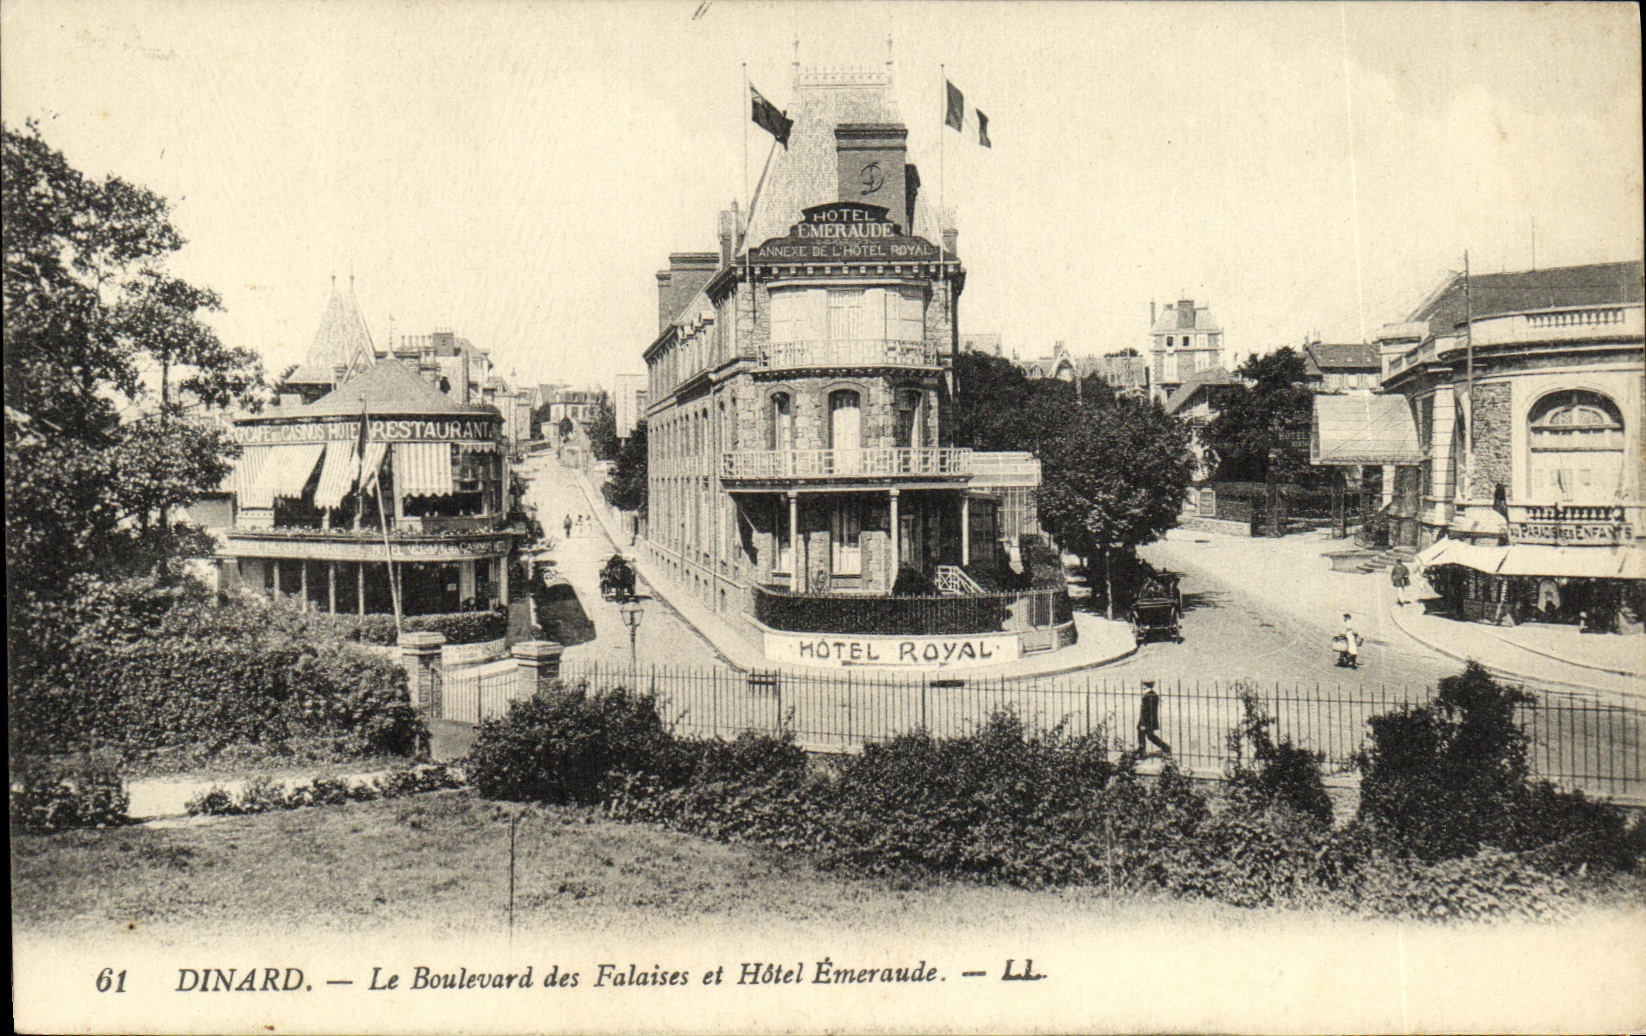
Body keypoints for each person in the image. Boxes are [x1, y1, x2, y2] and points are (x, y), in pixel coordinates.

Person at [1136, 680, 1172, 756]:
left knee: (1148, 735)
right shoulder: (1151, 694)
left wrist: (1143, 723)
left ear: (1146, 685)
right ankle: (1142, 749)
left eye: (1143, 684)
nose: (1141, 686)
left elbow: (1147, 711)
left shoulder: (1150, 696)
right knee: (1147, 735)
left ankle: (1142, 750)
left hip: (1148, 720)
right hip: (1149, 720)